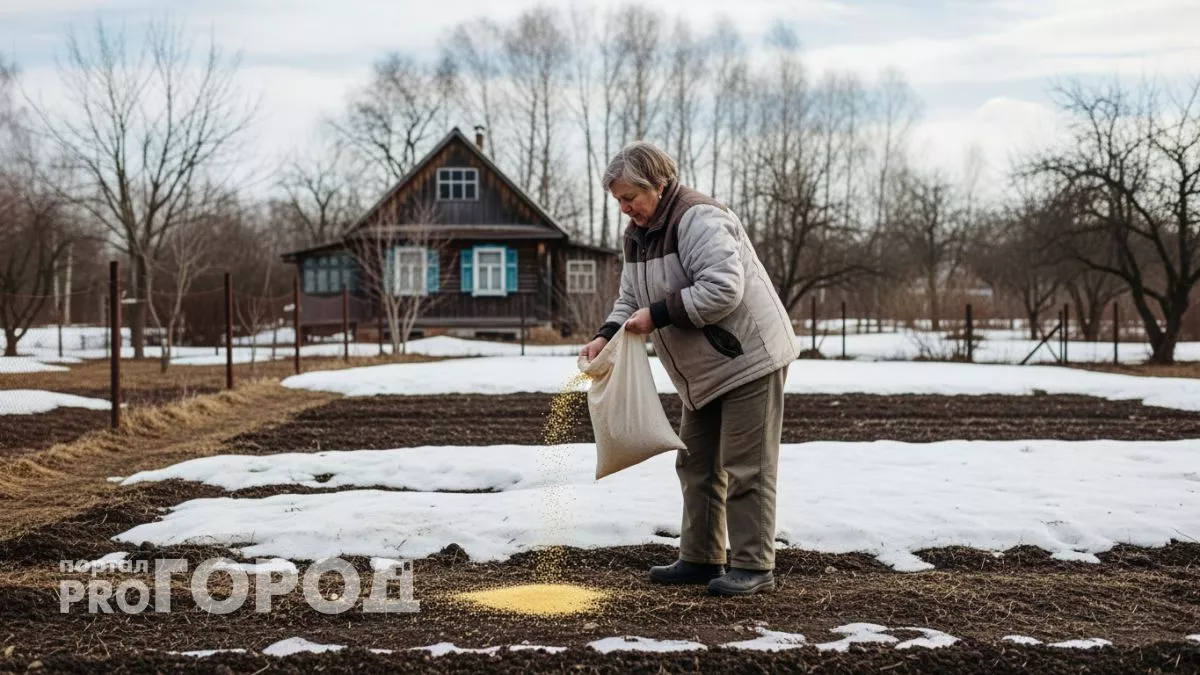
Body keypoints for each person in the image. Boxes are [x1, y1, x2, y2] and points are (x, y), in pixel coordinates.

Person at [580, 140, 799, 596]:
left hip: (748, 357)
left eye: (629, 198)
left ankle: (753, 565)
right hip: (704, 369)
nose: (624, 209)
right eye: (618, 200)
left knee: (747, 465)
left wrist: (657, 316)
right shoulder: (637, 236)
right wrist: (606, 334)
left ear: (658, 185)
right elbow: (630, 298)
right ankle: (700, 557)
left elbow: (723, 288)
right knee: (695, 461)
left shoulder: (698, 218)